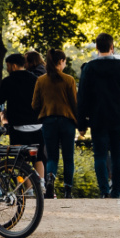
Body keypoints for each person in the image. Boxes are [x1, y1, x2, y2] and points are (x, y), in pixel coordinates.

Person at [77, 34, 120, 199]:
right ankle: (117, 191)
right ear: (112, 47)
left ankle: (104, 190)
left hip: (98, 117)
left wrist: (82, 123)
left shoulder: (89, 68)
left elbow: (82, 97)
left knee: (100, 155)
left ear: (96, 48)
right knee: (117, 155)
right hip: (119, 116)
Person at [0, 53, 48, 196]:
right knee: (38, 157)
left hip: (18, 126)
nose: (7, 69)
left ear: (12, 65)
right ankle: (41, 183)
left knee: (20, 159)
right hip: (36, 125)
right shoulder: (35, 79)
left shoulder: (8, 81)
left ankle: (28, 189)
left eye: (7, 66)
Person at [32, 50, 78, 198]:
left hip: (48, 120)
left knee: (51, 156)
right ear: (62, 61)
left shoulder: (41, 80)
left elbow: (34, 104)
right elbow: (74, 103)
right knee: (68, 157)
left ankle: (50, 179)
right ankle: (68, 190)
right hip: (67, 121)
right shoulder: (69, 80)